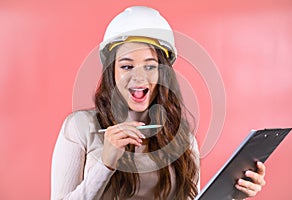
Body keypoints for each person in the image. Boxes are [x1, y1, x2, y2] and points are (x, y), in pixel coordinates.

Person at [51, 6, 266, 200]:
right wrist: (106, 165)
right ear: (112, 72)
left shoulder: (183, 141)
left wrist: (230, 194)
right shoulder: (80, 129)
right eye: (126, 66)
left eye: (150, 66)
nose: (139, 77)